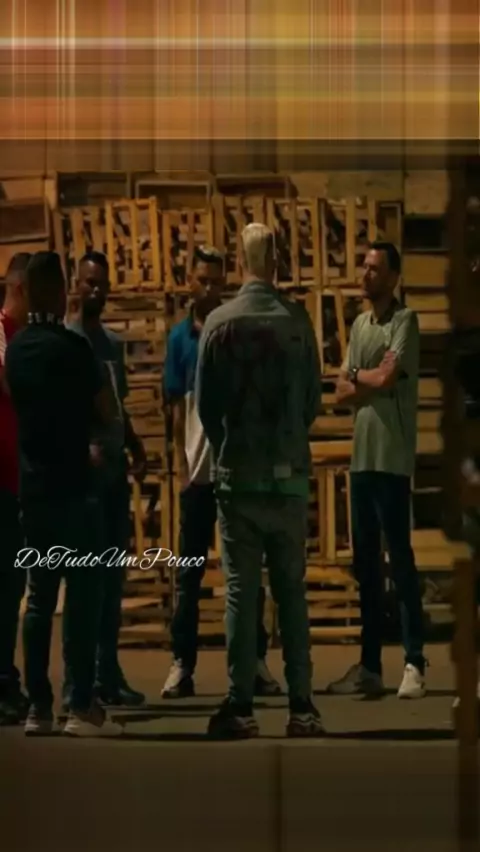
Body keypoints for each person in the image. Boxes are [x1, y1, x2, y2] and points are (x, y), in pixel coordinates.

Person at [195, 224, 324, 739]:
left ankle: (241, 703)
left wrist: (230, 443)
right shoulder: (298, 322)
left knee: (241, 593)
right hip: (287, 477)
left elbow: (205, 406)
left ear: (241, 261)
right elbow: (313, 399)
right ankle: (302, 705)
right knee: (291, 591)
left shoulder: (218, 323)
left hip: (239, 478)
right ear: (276, 260)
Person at [5, 251, 123, 737]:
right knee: (83, 596)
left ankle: (39, 706)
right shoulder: (74, 350)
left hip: (33, 491)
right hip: (76, 489)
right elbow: (107, 409)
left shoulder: (17, 350)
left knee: (38, 598)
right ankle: (79, 703)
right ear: (59, 293)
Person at [162, 244, 281, 699]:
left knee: (245, 570)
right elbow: (177, 409)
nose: (209, 288)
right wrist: (182, 466)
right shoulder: (179, 339)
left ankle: (255, 660)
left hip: (235, 469)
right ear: (189, 282)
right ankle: (181, 663)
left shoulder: (234, 331)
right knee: (189, 572)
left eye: (216, 280)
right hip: (197, 473)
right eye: (202, 280)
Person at [327, 241, 426, 699]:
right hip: (362, 458)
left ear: (393, 277)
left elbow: (385, 378)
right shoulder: (360, 325)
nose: (365, 275)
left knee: (399, 559)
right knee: (366, 564)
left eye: (375, 269)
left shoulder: (405, 321)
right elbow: (340, 389)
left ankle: (414, 661)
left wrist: (361, 376)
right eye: (364, 266)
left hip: (392, 457)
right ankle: (370, 665)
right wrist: (365, 376)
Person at [63, 251, 146, 708]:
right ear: (76, 285)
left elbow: (118, 403)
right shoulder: (68, 342)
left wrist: (133, 443)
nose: (96, 290)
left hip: (114, 473)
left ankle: (108, 672)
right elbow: (61, 409)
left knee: (113, 576)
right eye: (89, 282)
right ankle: (81, 679)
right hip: (85, 477)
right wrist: (82, 447)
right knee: (86, 580)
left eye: (102, 284)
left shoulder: (110, 344)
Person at [0, 254, 31, 724]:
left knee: (12, 585)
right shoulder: (3, 333)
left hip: (18, 480)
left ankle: (6, 675)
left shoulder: (23, 337)